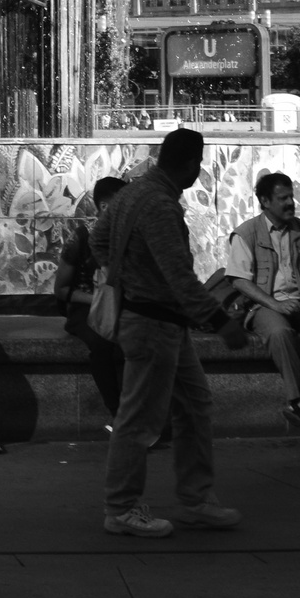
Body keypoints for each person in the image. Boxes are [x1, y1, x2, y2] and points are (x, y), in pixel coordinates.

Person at [100, 129, 247, 539]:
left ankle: (196, 500)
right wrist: (221, 323)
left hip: (163, 323)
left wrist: (125, 276)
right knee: (139, 420)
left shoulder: (131, 193)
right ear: (190, 165)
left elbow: (97, 239)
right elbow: (180, 277)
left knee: (195, 404)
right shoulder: (160, 206)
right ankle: (121, 508)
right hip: (151, 326)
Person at [223, 172, 300, 439]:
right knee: (279, 334)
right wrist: (275, 305)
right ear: (265, 202)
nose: (291, 202)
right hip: (263, 307)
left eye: (291, 196)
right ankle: (297, 397)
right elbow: (239, 281)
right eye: (283, 198)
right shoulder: (245, 233)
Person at [54, 177, 125, 427]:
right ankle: (117, 413)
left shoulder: (127, 238)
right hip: (83, 310)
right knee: (103, 344)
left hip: (118, 307)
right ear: (105, 207)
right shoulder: (82, 237)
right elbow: (61, 290)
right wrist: (97, 299)